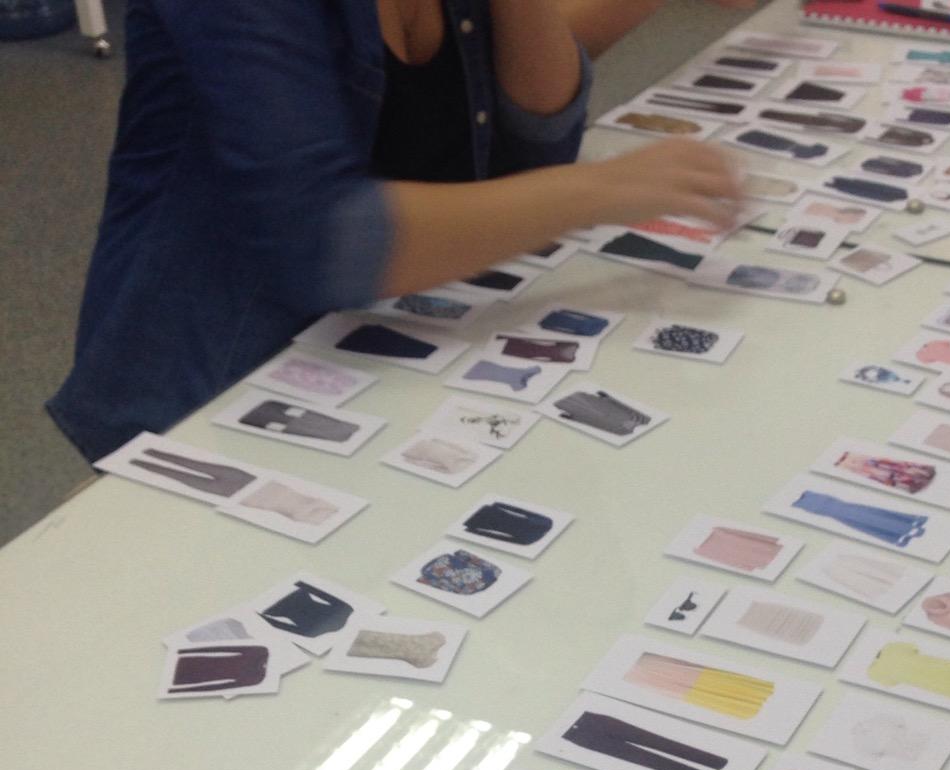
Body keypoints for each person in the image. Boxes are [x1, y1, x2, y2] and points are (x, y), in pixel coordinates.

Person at [48, 0, 750, 462]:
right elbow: (321, 237)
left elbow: (531, 147)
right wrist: (601, 190)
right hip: (211, 396)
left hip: (393, 366)